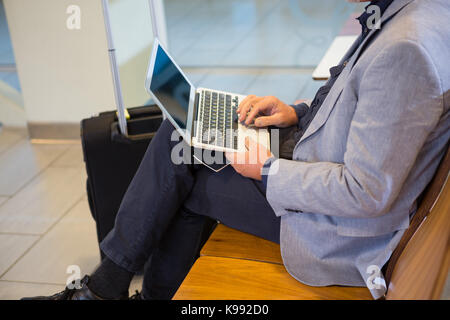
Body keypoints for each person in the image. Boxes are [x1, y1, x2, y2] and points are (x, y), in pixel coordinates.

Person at [23, 0, 449, 300]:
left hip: (333, 227)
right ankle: (110, 286)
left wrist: (264, 171)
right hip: (315, 159)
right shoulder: (413, 13)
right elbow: (364, 109)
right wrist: (296, 112)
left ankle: (106, 288)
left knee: (181, 168)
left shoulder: (405, 48)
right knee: (182, 138)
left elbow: (366, 190)